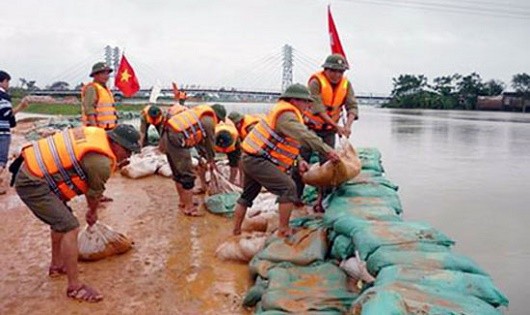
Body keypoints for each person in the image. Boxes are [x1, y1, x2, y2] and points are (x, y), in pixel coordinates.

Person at [13, 124, 140, 303]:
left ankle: (57, 265)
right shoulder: (101, 161)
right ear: (116, 143)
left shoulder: (97, 135)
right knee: (70, 226)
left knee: (62, 218)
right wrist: (92, 213)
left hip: (33, 171)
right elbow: (94, 193)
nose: (129, 156)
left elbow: (84, 167)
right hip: (32, 182)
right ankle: (74, 287)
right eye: (128, 151)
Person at [232, 84, 340, 237]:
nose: (308, 106)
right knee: (288, 188)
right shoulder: (287, 115)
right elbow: (304, 135)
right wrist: (327, 150)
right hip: (258, 160)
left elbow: (287, 145)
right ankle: (283, 229)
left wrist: (300, 160)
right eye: (306, 102)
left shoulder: (284, 113)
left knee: (247, 196)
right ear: (294, 101)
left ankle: (236, 231)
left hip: (250, 158)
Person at [294, 54, 359, 212]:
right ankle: (295, 198)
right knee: (300, 163)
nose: (337, 75)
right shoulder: (316, 82)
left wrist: (347, 126)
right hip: (308, 130)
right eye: (333, 71)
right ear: (326, 69)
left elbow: (352, 106)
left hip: (328, 132)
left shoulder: (346, 85)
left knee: (328, 165)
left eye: (340, 72)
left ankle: (321, 200)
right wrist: (337, 127)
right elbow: (318, 109)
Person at [160, 103, 226, 216]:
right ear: (218, 116)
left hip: (167, 137)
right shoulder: (209, 121)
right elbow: (210, 143)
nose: (218, 123)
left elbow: (198, 138)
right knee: (188, 175)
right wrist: (211, 160)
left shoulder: (199, 117)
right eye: (219, 120)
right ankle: (189, 208)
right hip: (177, 140)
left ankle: (183, 201)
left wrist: (203, 156)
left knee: (178, 173)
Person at [0, 70, 29, 194]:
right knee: (1, 160)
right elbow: (7, 114)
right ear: (3, 81)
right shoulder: (4, 96)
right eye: (8, 82)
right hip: (2, 132)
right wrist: (21, 107)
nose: (8, 85)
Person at [81, 62, 118, 130]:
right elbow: (89, 109)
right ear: (95, 75)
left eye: (107, 74)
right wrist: (95, 129)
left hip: (108, 128)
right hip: (97, 129)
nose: (106, 76)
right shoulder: (92, 88)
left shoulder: (106, 89)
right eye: (103, 73)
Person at [214, 118, 242, 184]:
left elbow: (236, 161)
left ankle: (232, 181)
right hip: (217, 133)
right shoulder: (211, 136)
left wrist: (230, 183)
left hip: (232, 142)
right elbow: (209, 156)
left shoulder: (235, 137)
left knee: (236, 162)